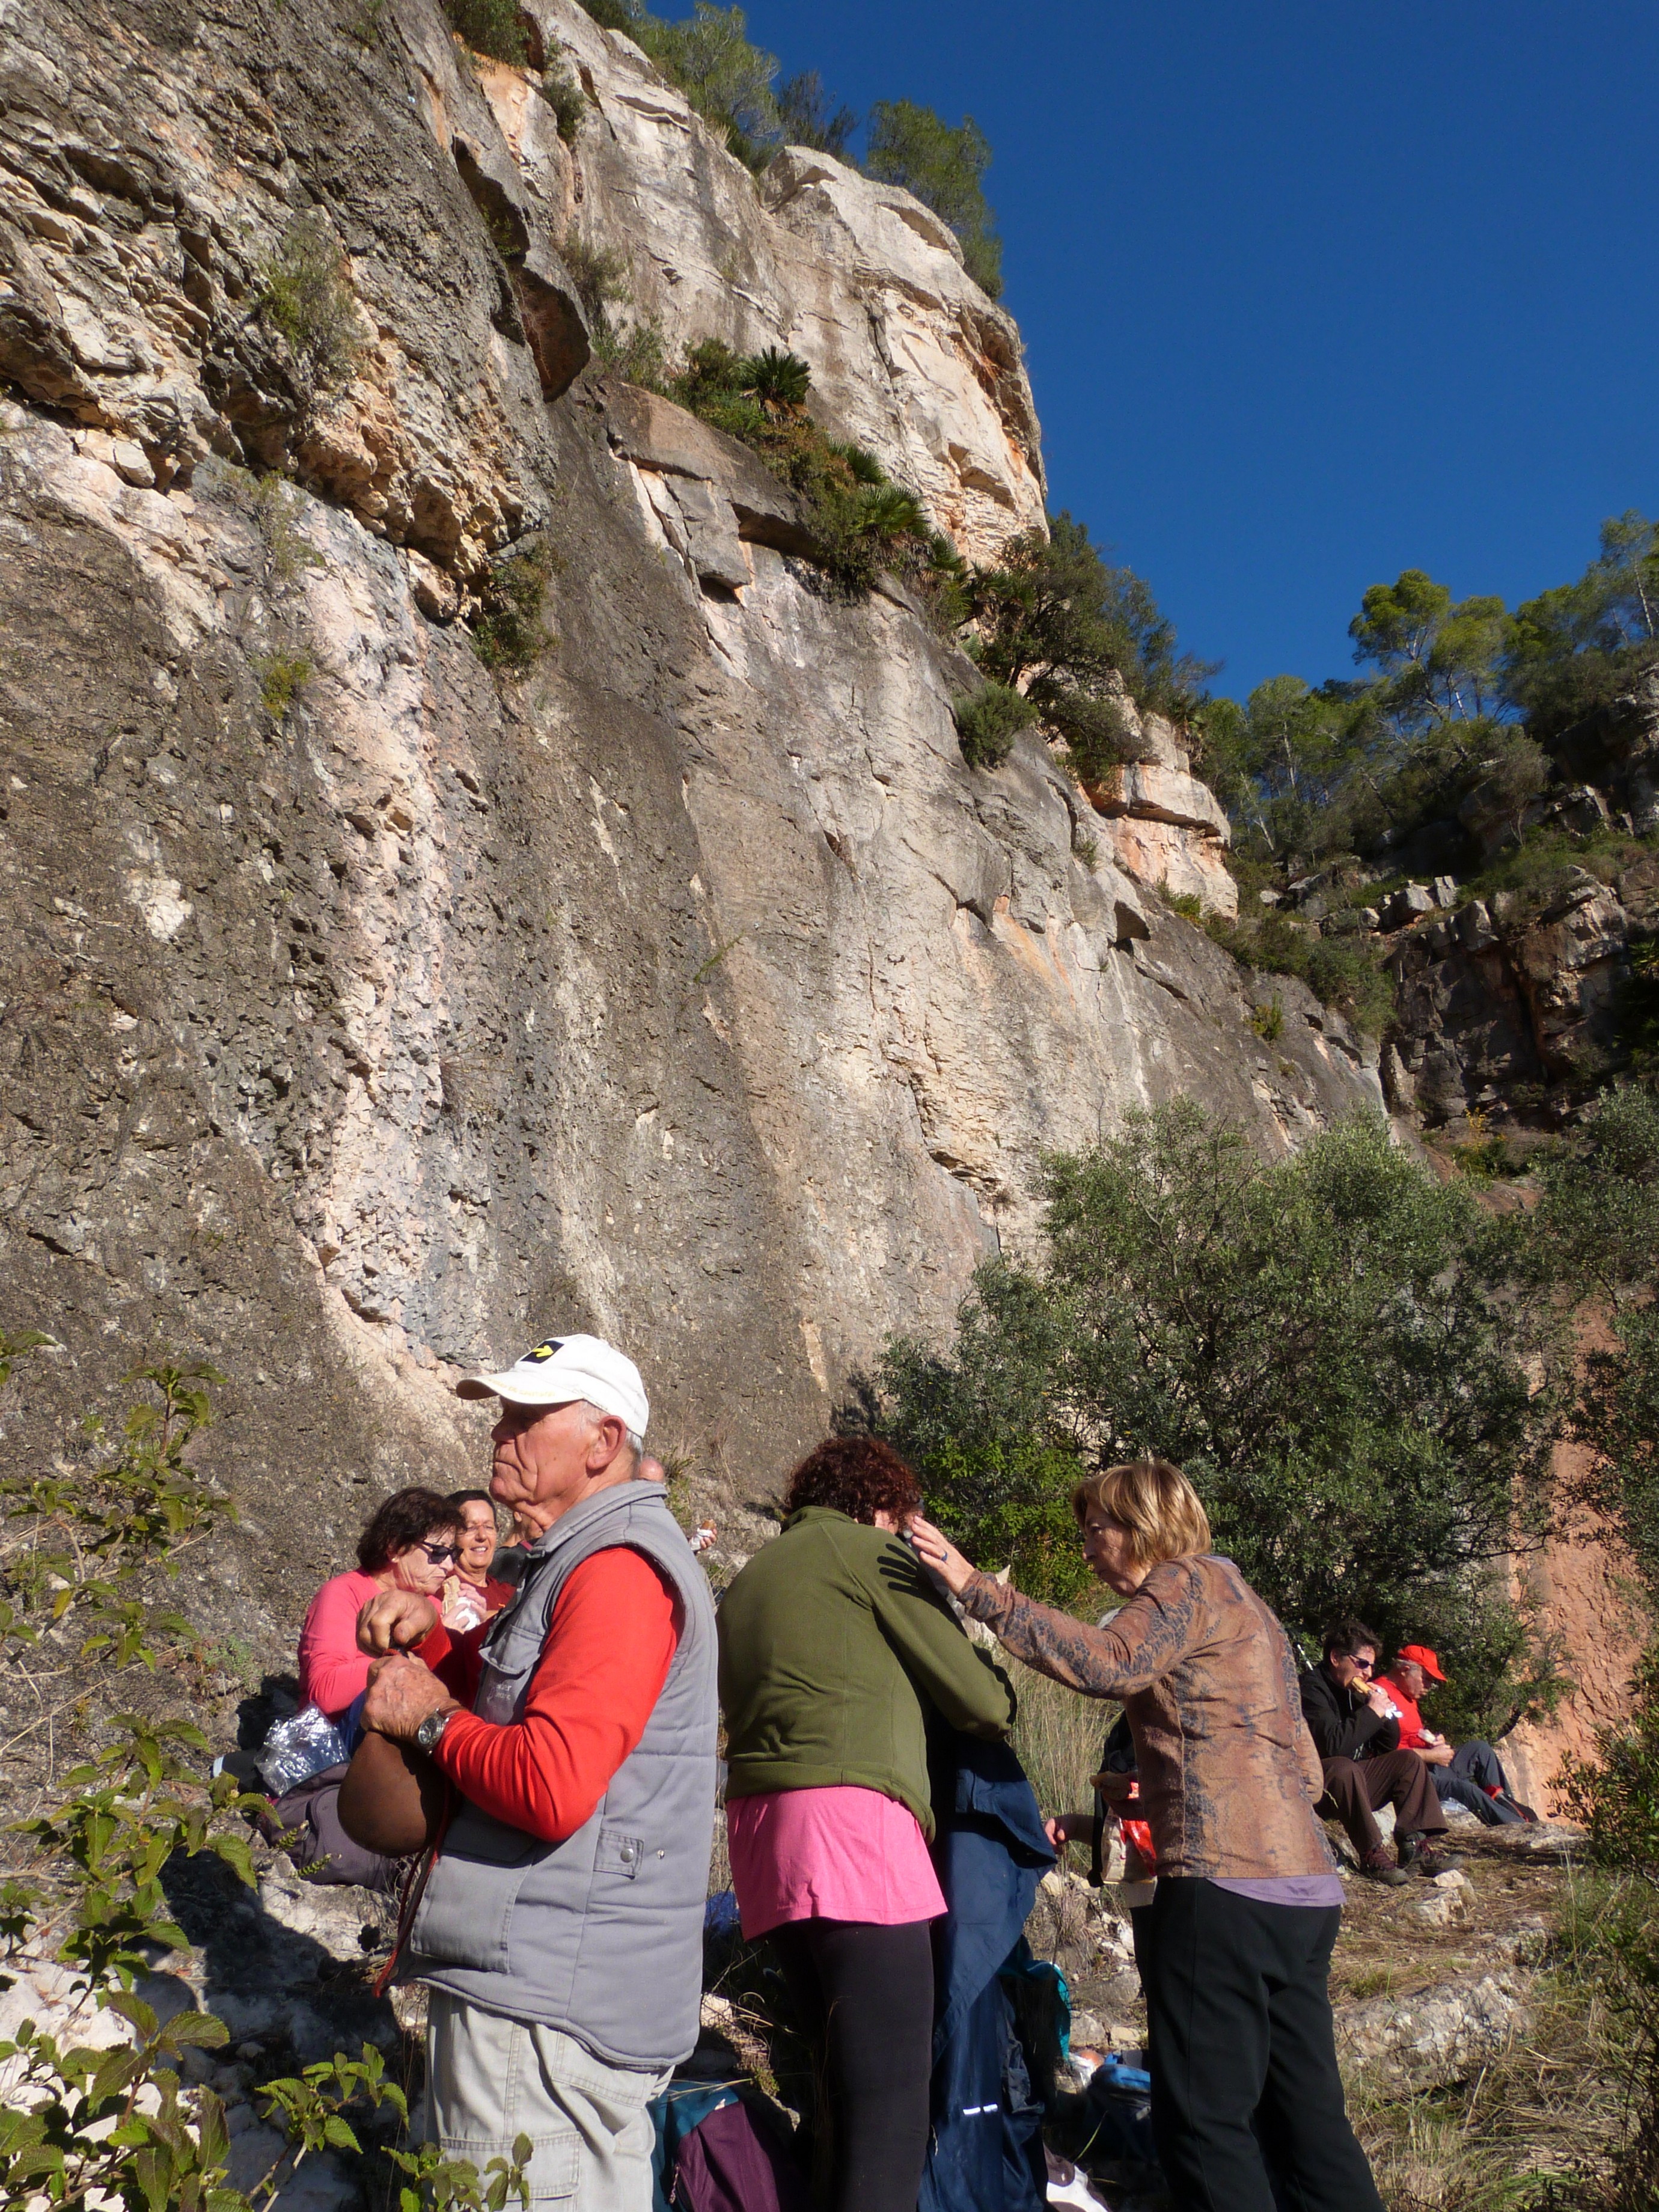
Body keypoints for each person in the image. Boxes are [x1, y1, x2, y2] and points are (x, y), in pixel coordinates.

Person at [910, 1457, 1387, 2212]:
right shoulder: (1253, 1607)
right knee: (1307, 2119)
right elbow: (1305, 1770)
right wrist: (1184, 1781)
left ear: (1143, 1526)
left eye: (1096, 1529)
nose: (1087, 1549)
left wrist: (979, 1589)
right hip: (1306, 1889)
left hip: (1225, 1889)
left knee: (1203, 2122)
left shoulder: (1182, 1582)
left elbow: (1110, 1662)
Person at [353, 1334, 718, 2212]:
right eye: (502, 1415)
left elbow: (552, 1784)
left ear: (602, 1442)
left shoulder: (618, 1571)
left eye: (526, 1417)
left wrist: (428, 1716)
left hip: (543, 2015)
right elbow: (515, 1695)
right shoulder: (579, 1563)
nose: (500, 1434)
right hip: (546, 1988)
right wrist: (436, 1644)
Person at [716, 1435, 1016, 2212]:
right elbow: (982, 1702)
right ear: (881, 1507)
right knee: (890, 2107)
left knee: (840, 2092)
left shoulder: (752, 1576)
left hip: (760, 1836)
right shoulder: (868, 1552)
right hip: (851, 1830)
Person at [1301, 1619, 1464, 1883]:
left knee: (1408, 1760)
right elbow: (1332, 1746)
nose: (1368, 1673)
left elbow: (1385, 1748)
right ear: (1336, 1658)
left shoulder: (1353, 1691)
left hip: (1353, 1786)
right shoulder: (1311, 1689)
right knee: (1344, 1768)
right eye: (1362, 1664)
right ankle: (1371, 1853)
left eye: (1372, 1666)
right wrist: (1370, 1713)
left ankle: (1414, 1847)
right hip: (1318, 1785)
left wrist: (1385, 1713)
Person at [295, 1487, 461, 1723]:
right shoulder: (343, 1593)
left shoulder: (432, 1605)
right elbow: (325, 1694)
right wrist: (404, 1663)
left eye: (453, 1554)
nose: (449, 1566)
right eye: (439, 1552)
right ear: (395, 1548)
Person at [1375, 1645, 1534, 1826]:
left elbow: (1409, 1736)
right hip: (1411, 1776)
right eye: (1426, 1679)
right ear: (1405, 1670)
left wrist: (1432, 1743)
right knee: (1466, 1789)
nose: (1429, 1686)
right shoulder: (1380, 1695)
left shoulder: (1408, 1696)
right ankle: (1517, 1826)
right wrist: (1431, 1756)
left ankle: (1506, 1804)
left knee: (1480, 1750)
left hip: (1429, 1766)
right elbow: (1385, 1753)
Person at [440, 1488, 518, 1630]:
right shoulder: (441, 1588)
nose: (482, 1536)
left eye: (489, 1527)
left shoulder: (511, 1594)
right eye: (470, 1528)